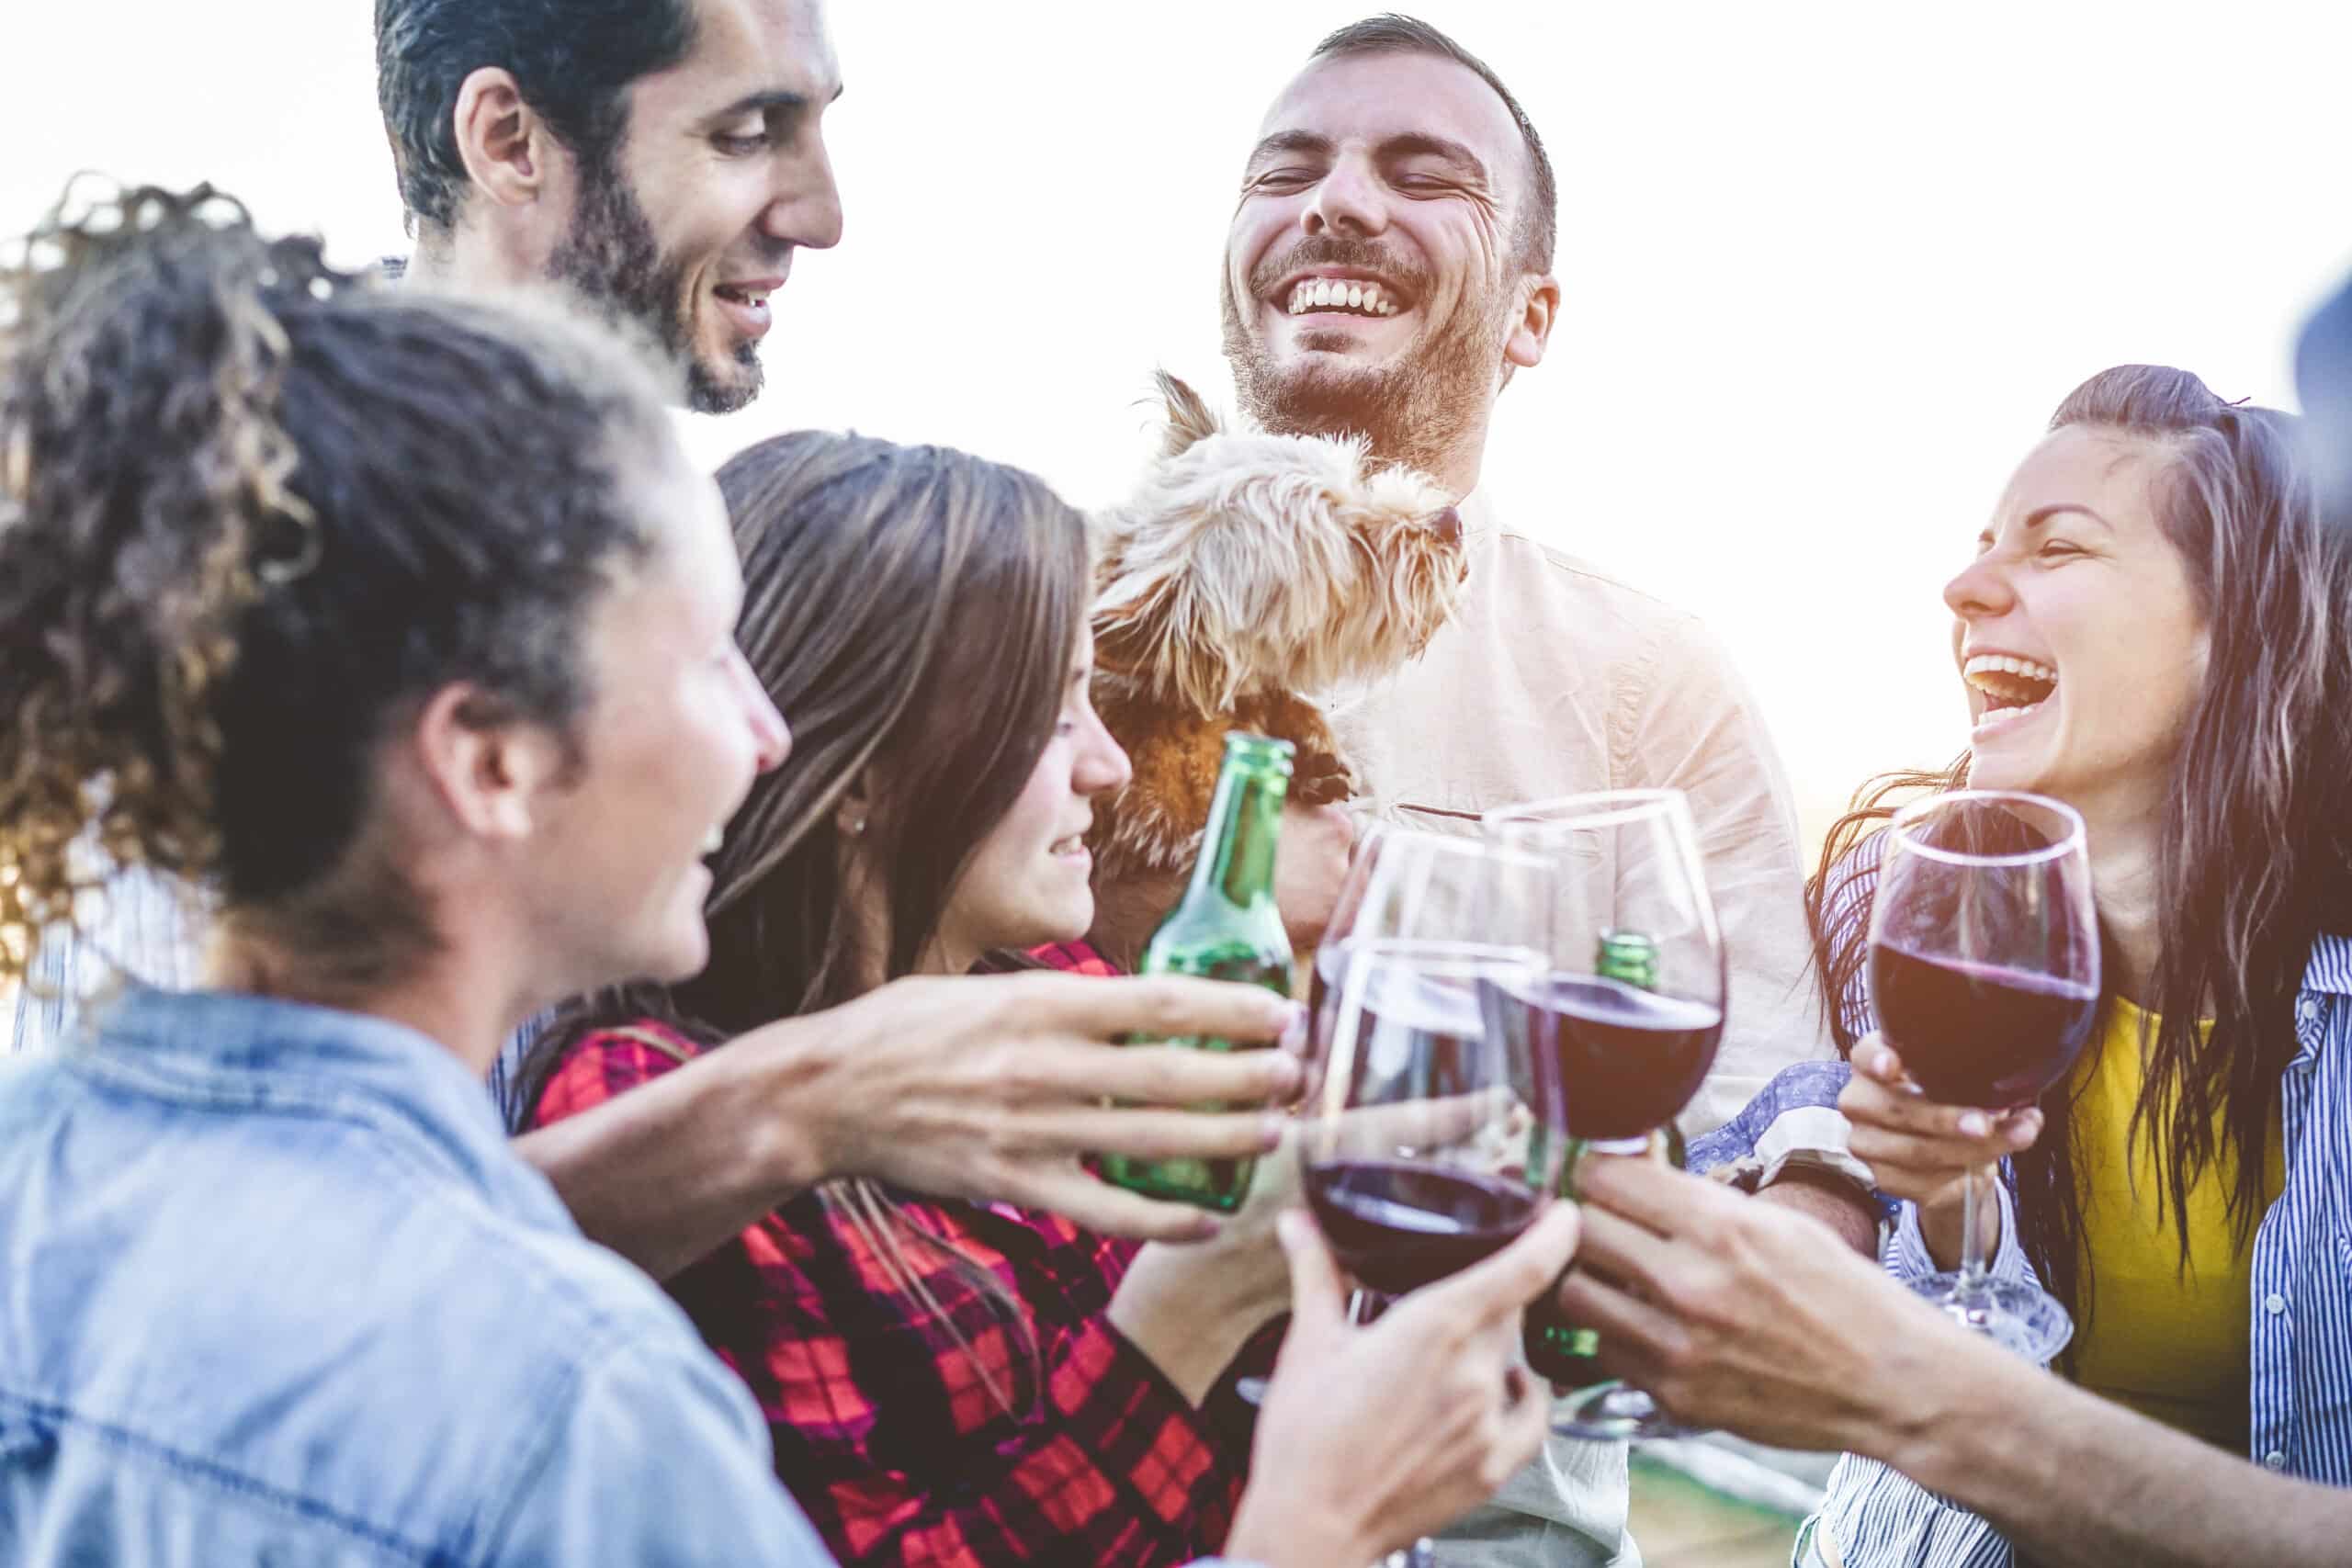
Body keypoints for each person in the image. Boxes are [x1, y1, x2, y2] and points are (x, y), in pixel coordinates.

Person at [0, 184, 1583, 1568]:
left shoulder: (36, 1175)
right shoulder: (589, 1412)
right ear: (489, 760)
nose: (767, 730)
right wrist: (1298, 1528)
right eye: (699, 664)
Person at [11, 0, 1329, 1275]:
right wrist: (783, 1114)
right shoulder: (258, 559)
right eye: (749, 133)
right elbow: (173, 1256)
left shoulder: (651, 549)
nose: (824, 212)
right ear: (510, 140)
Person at [1083, 16, 1871, 1564]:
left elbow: (1784, 1121)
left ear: (1531, 314)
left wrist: (1773, 1253)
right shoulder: (1036, 617)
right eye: (1288, 170)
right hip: (1078, 1492)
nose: (1336, 205)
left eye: (1419, 172)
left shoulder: (1648, 675)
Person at [522, 433, 1378, 1563]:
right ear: (868, 767)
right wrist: (1182, 1323)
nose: (1108, 765)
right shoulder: (658, 1117)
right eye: (1055, 710)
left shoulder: (1058, 986)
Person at [1656, 361, 2352, 1565]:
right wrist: (1930, 1207)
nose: (1965, 586)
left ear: (2245, 615)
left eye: (2057, 549)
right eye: (1986, 545)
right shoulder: (1904, 913)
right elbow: (1766, 1141)